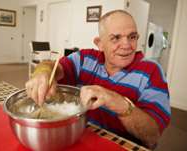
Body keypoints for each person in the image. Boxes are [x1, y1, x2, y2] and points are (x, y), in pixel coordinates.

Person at [25, 10, 170, 149]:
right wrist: (42, 72)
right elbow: (51, 66)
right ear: (99, 43)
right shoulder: (84, 58)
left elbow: (152, 136)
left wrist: (119, 103)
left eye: (131, 37)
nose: (126, 45)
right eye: (116, 38)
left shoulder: (152, 71)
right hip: (79, 139)